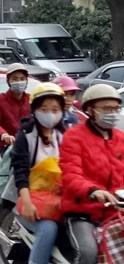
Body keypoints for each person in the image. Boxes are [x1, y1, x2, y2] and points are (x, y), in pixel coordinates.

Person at [60, 84, 124, 264]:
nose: (112, 113)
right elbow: (70, 174)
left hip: (114, 210)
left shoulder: (120, 137)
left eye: (115, 108)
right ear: (90, 110)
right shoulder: (74, 136)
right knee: (88, 253)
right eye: (106, 109)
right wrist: (93, 191)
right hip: (82, 212)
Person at [11, 83, 67, 264]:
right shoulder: (26, 135)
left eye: (55, 109)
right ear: (34, 110)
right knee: (48, 229)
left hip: (61, 201)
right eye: (44, 109)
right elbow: (20, 173)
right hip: (31, 201)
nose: (50, 113)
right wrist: (27, 204)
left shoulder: (64, 135)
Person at [0, 63, 31, 146]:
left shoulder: (31, 100)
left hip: (29, 146)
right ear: (8, 80)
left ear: (26, 80)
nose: (19, 82)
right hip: (7, 147)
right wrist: (4, 135)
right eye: (15, 79)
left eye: (22, 79)